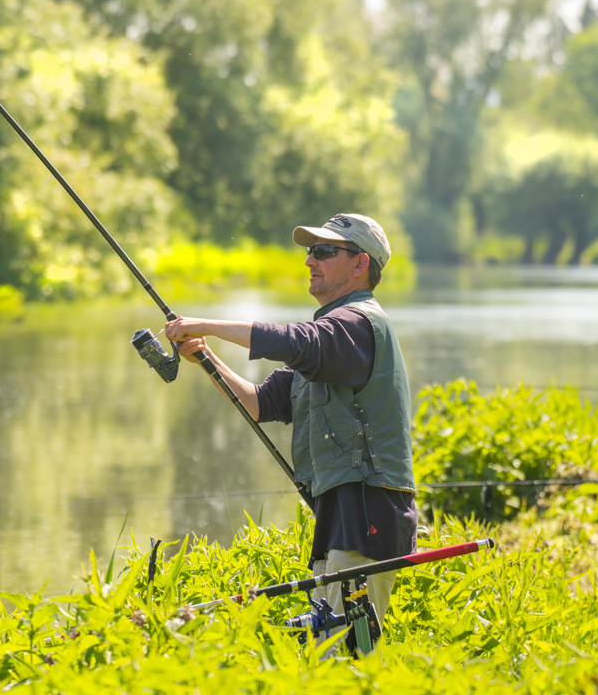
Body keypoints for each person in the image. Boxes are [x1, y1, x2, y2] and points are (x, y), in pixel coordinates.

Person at [164, 213, 417, 638]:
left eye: (323, 252)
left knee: (346, 657)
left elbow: (297, 341)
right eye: (309, 252)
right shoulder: (331, 338)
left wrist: (207, 324)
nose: (309, 262)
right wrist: (206, 358)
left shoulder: (356, 325)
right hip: (338, 520)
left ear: (359, 265)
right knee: (329, 654)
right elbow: (259, 402)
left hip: (366, 518)